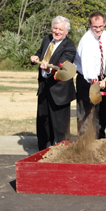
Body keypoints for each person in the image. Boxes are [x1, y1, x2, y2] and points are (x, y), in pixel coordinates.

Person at [30, 16, 76, 151]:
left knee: (60, 126)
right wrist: (36, 57)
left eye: (60, 29)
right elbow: (41, 52)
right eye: (55, 28)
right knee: (43, 123)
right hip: (44, 87)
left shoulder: (70, 47)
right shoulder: (47, 39)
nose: (57, 32)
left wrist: (49, 67)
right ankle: (43, 151)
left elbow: (61, 67)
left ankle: (62, 154)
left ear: (66, 31)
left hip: (59, 92)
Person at [74, 12, 106, 138]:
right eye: (95, 26)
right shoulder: (86, 40)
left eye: (100, 26)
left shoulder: (105, 35)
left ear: (104, 24)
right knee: (86, 111)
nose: (98, 29)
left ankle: (100, 137)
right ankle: (85, 140)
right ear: (89, 24)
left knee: (101, 110)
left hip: (102, 78)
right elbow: (87, 64)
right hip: (87, 79)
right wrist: (95, 82)